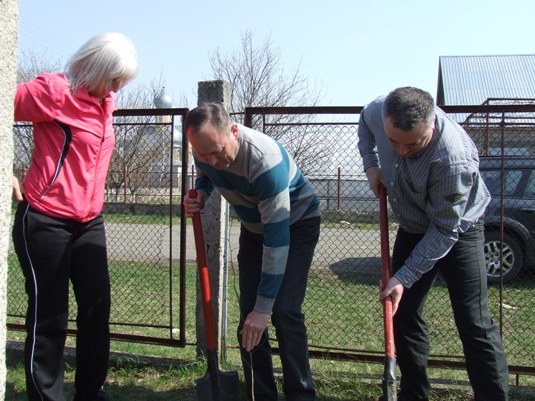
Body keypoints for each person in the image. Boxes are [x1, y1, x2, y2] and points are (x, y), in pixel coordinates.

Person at [357, 87, 509, 401]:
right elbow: (364, 121)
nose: (400, 151)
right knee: (403, 313)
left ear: (431, 125)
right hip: (413, 225)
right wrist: (371, 165)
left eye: (413, 144)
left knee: (473, 322)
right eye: (393, 141)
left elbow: (444, 229)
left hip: (457, 230)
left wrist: (404, 277)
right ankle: (413, 395)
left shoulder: (452, 159)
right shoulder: (377, 112)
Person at [12, 32, 138, 401]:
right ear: (96, 67)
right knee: (51, 315)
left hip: (89, 222)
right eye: (115, 79)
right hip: (44, 219)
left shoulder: (106, 101)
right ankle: (47, 395)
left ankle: (90, 391)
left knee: (97, 308)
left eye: (122, 82)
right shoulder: (52, 92)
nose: (118, 88)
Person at [183, 103, 321, 401]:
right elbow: (208, 174)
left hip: (295, 225)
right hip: (255, 228)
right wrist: (201, 193)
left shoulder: (264, 162)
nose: (212, 160)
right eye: (203, 154)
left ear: (234, 131)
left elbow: (277, 241)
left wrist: (264, 309)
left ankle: (301, 395)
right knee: (248, 317)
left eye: (218, 152)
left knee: (282, 310)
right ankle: (261, 394)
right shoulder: (203, 145)